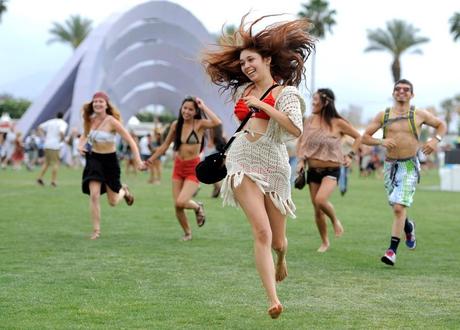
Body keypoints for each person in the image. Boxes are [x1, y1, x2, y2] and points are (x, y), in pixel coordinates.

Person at [202, 14, 314, 319]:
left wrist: (263, 107)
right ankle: (273, 299)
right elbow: (246, 125)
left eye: (251, 60)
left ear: (266, 59)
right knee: (261, 233)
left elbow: (295, 129)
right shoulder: (243, 92)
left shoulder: (287, 93)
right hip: (241, 162)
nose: (246, 66)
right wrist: (250, 110)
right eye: (242, 63)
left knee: (278, 241)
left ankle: (282, 258)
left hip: (275, 165)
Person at [362, 79, 447, 266]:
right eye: (398, 89)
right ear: (393, 93)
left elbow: (441, 125)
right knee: (397, 206)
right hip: (390, 166)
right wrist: (381, 142)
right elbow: (365, 138)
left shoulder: (419, 114)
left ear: (412, 94)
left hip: (409, 165)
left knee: (400, 207)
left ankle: (391, 251)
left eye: (406, 90)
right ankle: (409, 227)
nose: (401, 92)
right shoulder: (383, 115)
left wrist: (435, 140)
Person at [145, 96, 221, 241]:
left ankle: (198, 207)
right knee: (177, 206)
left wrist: (203, 106)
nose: (186, 111)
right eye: (184, 108)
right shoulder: (176, 125)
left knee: (181, 201)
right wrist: (149, 160)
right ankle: (187, 233)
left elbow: (217, 122)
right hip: (178, 166)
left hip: (193, 167)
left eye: (190, 109)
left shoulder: (199, 124)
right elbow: (164, 146)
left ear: (195, 111)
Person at [296, 88, 361, 253]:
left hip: (331, 170)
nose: (313, 102)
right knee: (317, 210)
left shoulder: (337, 123)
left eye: (316, 99)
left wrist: (351, 155)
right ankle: (325, 242)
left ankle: (335, 220)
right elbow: (302, 142)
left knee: (320, 200)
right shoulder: (309, 120)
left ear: (325, 102)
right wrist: (301, 161)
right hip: (312, 170)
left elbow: (358, 137)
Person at [78, 91, 145, 240]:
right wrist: (80, 146)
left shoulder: (112, 122)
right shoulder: (89, 120)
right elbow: (84, 136)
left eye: (101, 102)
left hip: (110, 162)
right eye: (95, 101)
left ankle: (124, 191)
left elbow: (131, 142)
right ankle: (96, 230)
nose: (97, 104)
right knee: (94, 195)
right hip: (93, 159)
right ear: (92, 104)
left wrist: (138, 161)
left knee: (113, 201)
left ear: (106, 105)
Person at [36, 112, 68, 186]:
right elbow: (62, 132)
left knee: (46, 163)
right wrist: (62, 139)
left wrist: (43, 136)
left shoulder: (51, 121)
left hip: (47, 144)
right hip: (55, 145)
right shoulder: (63, 123)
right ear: (63, 117)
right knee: (56, 163)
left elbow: (39, 127)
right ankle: (53, 181)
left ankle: (39, 178)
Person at [204, 124, 227, 197]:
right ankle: (217, 188)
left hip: (218, 154)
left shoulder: (213, 132)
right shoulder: (222, 133)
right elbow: (227, 143)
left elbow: (210, 143)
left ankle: (218, 187)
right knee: (213, 172)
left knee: (209, 172)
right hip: (223, 154)